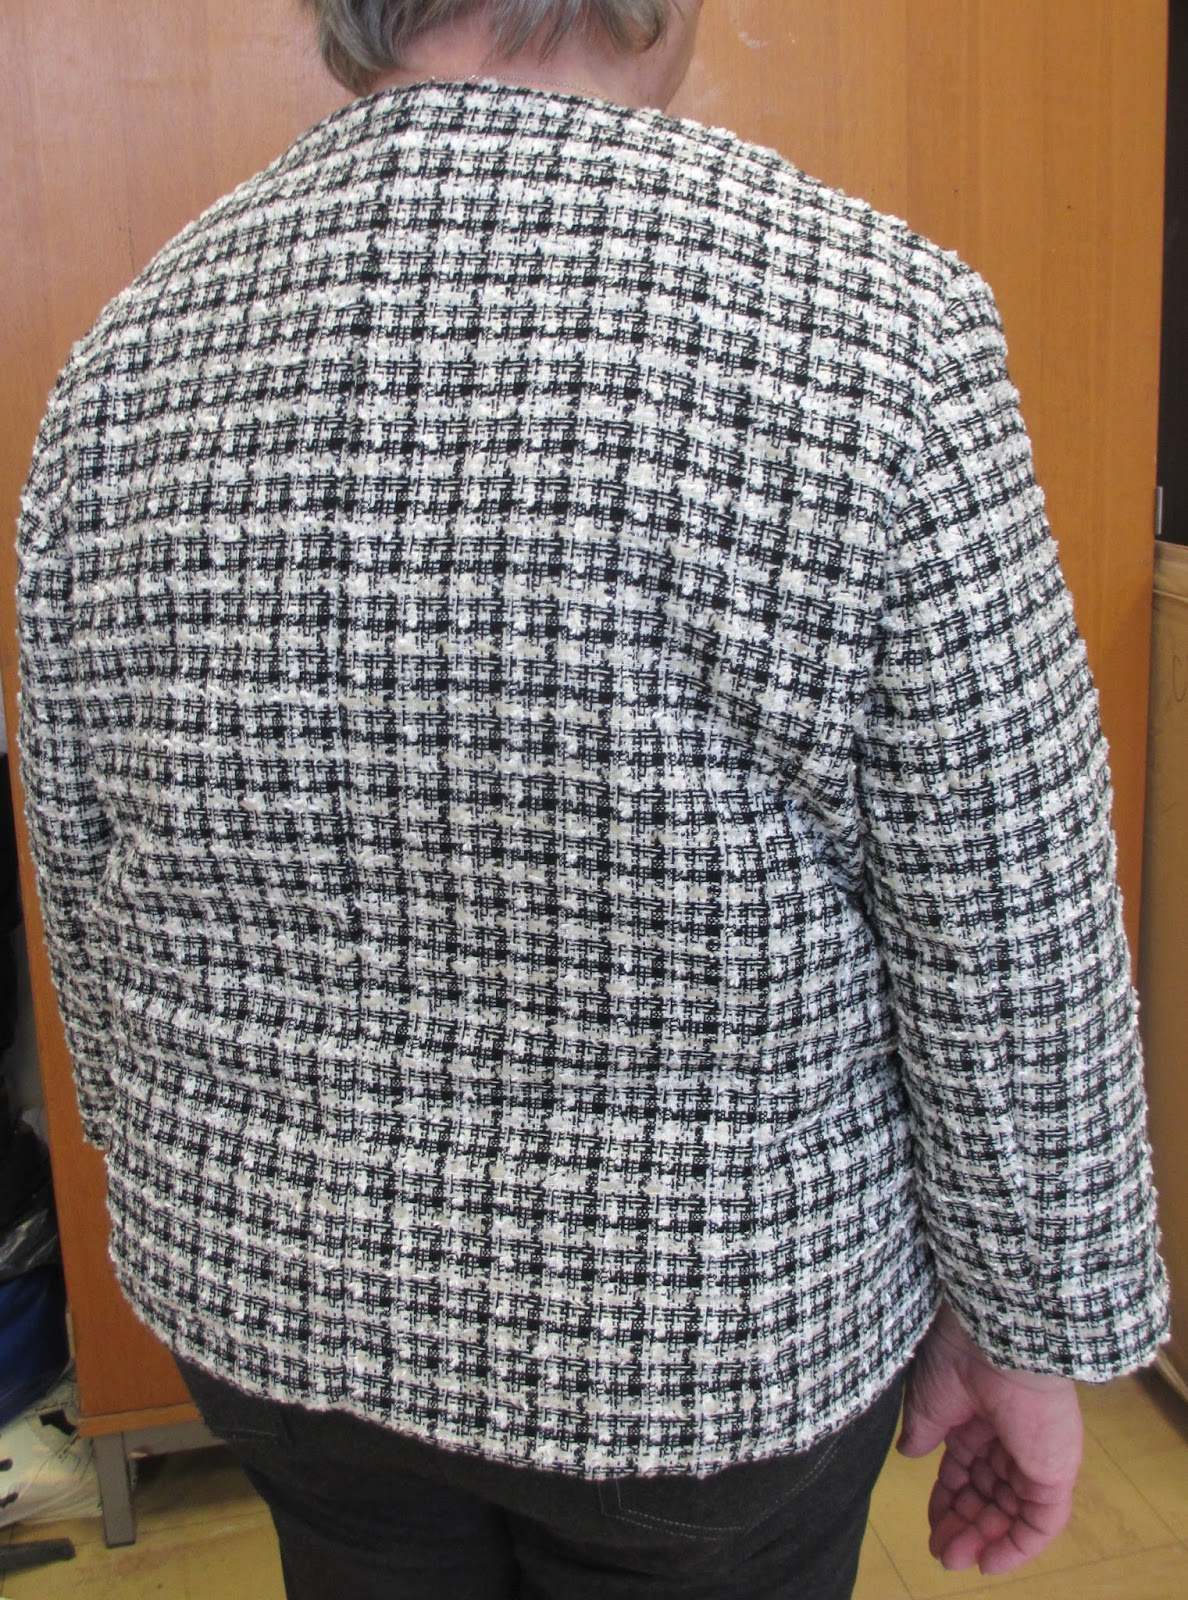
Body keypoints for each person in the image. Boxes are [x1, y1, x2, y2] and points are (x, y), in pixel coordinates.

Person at [15, 2, 1168, 1596]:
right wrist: (1033, 1328)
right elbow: (1007, 917)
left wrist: (182, 1189)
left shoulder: (131, 357)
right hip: (702, 1348)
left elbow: (82, 874)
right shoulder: (871, 327)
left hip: (276, 1311)